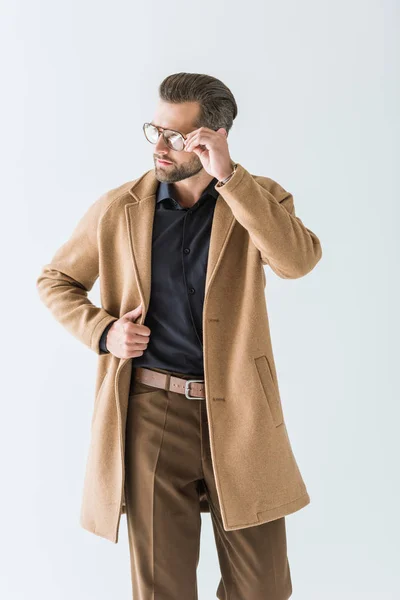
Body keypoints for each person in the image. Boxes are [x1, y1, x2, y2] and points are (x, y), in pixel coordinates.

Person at [37, 71, 322, 599]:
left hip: (238, 411)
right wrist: (104, 332)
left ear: (212, 137)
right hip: (151, 413)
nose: (161, 146)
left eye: (177, 135)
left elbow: (296, 261)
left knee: (263, 588)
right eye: (155, 131)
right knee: (161, 588)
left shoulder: (258, 200)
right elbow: (56, 280)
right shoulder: (120, 207)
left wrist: (232, 180)